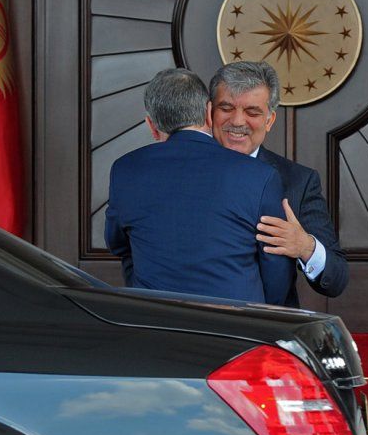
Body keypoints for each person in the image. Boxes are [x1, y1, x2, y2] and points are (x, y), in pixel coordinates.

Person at [105, 68, 294, 305]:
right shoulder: (260, 175)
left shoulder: (125, 169)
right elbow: (276, 267)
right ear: (208, 113)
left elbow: (118, 245)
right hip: (238, 330)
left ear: (152, 126)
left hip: (154, 324)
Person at [207, 60, 349, 308]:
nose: (238, 121)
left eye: (252, 112)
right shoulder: (179, 171)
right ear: (209, 112)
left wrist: (305, 246)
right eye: (226, 108)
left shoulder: (297, 181)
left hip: (266, 332)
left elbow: (336, 278)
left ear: (270, 120)